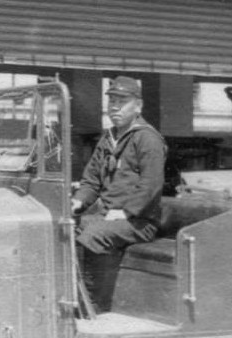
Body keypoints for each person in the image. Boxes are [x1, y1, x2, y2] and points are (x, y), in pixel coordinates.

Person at [71, 76, 166, 313]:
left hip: (139, 221)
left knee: (93, 233)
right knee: (66, 227)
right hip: (109, 216)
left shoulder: (147, 138)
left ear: (138, 106)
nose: (114, 106)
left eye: (122, 101)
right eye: (111, 100)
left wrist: (125, 211)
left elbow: (151, 184)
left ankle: (93, 303)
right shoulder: (108, 138)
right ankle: (72, 296)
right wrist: (78, 201)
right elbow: (92, 179)